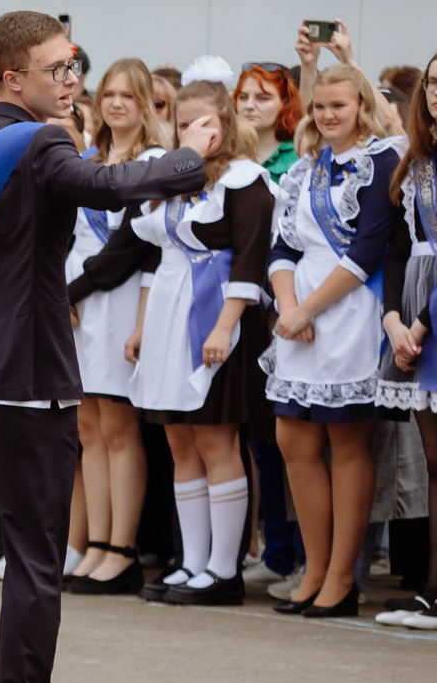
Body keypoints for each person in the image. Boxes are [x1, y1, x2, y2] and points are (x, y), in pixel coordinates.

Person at [0, 11, 214, 683]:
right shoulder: (40, 138)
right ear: (11, 78)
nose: (72, 79)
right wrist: (189, 159)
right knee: (36, 558)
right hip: (24, 369)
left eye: (74, 64)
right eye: (57, 68)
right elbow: (108, 186)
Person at [123, 80, 272, 607]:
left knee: (215, 441)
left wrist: (225, 326)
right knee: (179, 443)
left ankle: (222, 569)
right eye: (184, 123)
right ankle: (192, 563)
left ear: (227, 122)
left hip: (215, 317)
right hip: (168, 314)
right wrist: (142, 326)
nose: (193, 131)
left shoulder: (245, 179)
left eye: (205, 121)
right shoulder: (172, 176)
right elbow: (155, 255)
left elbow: (251, 258)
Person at [265, 63, 403, 619]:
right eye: (319, 106)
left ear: (361, 106)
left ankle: (343, 576)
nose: (326, 116)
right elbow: (282, 246)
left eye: (338, 106)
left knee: (346, 441)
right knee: (292, 437)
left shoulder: (383, 161)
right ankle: (314, 568)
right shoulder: (304, 169)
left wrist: (307, 309)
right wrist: (288, 308)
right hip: (298, 312)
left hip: (350, 309)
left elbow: (367, 250)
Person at [62, 59, 168, 594]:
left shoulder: (154, 162)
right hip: (80, 306)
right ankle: (97, 543)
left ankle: (121, 549)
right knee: (89, 429)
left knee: (120, 428)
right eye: (109, 94)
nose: (117, 103)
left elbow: (130, 248)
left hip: (123, 299)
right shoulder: (89, 158)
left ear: (146, 102)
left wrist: (68, 294)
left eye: (129, 94)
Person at [377, 51, 437, 628]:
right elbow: (398, 248)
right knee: (434, 460)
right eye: (434, 83)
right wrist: (393, 318)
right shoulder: (416, 161)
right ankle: (432, 591)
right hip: (414, 318)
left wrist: (420, 324)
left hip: (433, 319)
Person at [234, 61, 301, 180]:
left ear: (285, 102)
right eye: (243, 97)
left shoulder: (300, 156)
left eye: (263, 98)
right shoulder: (222, 154)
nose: (249, 105)